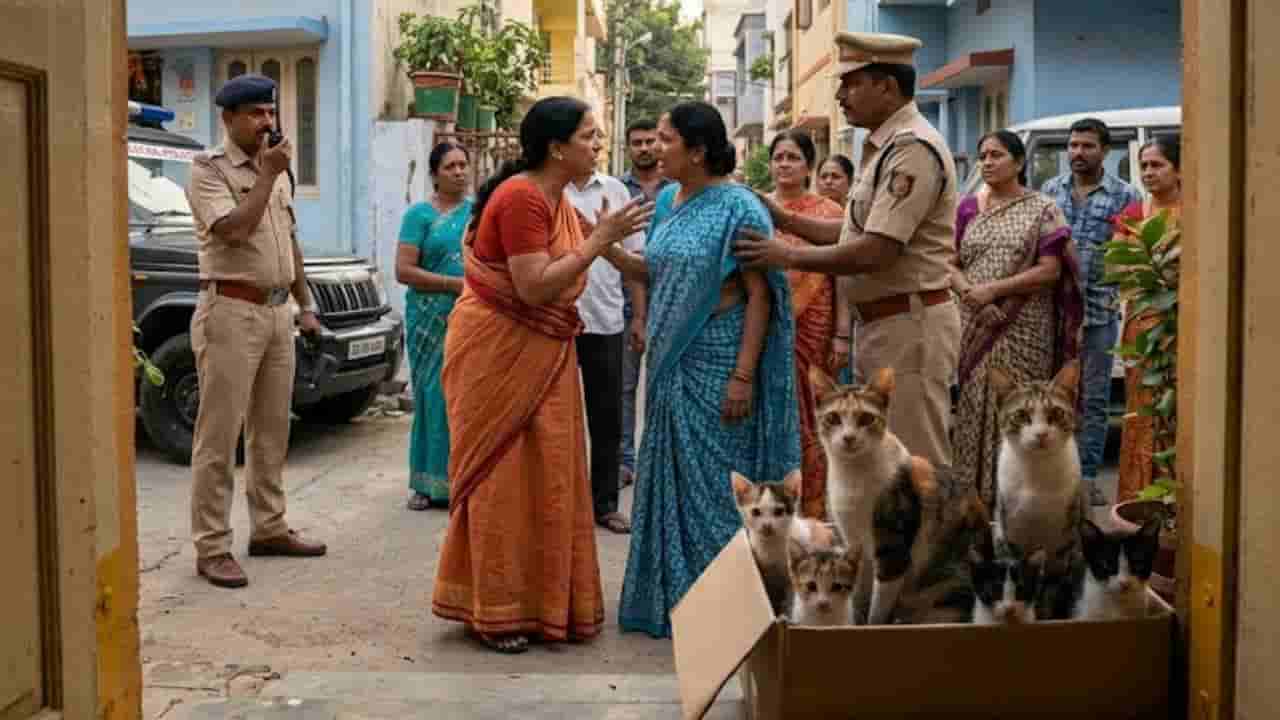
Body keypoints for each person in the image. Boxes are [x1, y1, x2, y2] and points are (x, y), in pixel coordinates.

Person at [430, 97, 652, 654]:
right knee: (502, 478)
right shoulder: (523, 197)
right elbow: (533, 287)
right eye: (589, 137)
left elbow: (592, 261)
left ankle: (543, 603)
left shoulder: (554, 199)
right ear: (557, 147)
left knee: (548, 472)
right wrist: (602, 242)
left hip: (544, 348)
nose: (598, 146)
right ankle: (497, 612)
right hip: (499, 348)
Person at [735, 31, 961, 471]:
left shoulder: (912, 148)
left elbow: (875, 250)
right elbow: (854, 229)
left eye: (851, 82)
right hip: (886, 322)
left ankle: (932, 543)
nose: (840, 95)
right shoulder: (884, 146)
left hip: (908, 324)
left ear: (887, 86)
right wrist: (786, 220)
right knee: (885, 468)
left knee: (913, 465)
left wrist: (786, 256)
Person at [616, 101, 799, 639]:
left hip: (719, 364)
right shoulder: (670, 200)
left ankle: (727, 611)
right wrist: (600, 247)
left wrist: (743, 376)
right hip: (671, 364)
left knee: (719, 492)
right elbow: (655, 269)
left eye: (667, 139)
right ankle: (675, 601)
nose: (656, 146)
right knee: (673, 482)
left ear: (697, 151)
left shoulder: (741, 208)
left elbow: (760, 296)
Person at [185, 73, 327, 589]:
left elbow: (289, 242)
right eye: (254, 114)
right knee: (218, 436)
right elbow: (235, 229)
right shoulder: (207, 170)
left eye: (269, 112)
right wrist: (267, 174)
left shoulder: (278, 169)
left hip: (275, 314)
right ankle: (212, 546)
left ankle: (268, 528)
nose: (266, 122)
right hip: (229, 311)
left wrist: (305, 304)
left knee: (272, 430)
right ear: (228, 119)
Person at [950, 130, 1084, 507]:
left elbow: (1050, 270)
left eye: (997, 155)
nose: (988, 162)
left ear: (1020, 163)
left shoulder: (1042, 208)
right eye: (983, 155)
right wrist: (969, 294)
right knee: (975, 408)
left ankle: (1021, 504)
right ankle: (973, 505)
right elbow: (950, 263)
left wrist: (994, 291)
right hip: (974, 322)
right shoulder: (967, 208)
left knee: (1024, 410)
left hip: (1024, 324)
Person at [1041, 118, 1141, 506]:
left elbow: (1126, 257)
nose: (1077, 153)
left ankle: (1083, 479)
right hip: (1056, 312)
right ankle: (1054, 475)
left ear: (1105, 151)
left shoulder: (1124, 196)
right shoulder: (1051, 190)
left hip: (1099, 312)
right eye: (1073, 145)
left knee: (1095, 398)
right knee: (1053, 394)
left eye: (1087, 146)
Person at [766, 129, 847, 519]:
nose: (784, 164)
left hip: (814, 329)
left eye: (793, 158)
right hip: (766, 331)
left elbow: (843, 277)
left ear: (809, 166)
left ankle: (813, 509)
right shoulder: (757, 209)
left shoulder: (830, 214)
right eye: (778, 157)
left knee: (812, 417)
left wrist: (842, 333)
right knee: (772, 414)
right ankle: (770, 505)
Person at [565, 165, 646, 533]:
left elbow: (634, 264)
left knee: (607, 417)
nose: (594, 146)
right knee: (557, 419)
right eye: (586, 137)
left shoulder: (615, 190)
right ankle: (561, 504)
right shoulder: (547, 191)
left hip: (606, 319)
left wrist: (639, 318)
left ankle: (605, 505)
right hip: (557, 321)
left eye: (596, 138)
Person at [396, 141, 473, 511]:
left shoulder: (479, 213)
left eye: (463, 165)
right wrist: (452, 285)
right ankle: (426, 483)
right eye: (450, 167)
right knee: (432, 393)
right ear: (435, 173)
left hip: (472, 316)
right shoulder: (419, 216)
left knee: (465, 395)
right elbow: (403, 270)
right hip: (429, 318)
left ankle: (463, 479)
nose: (459, 172)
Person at [1112, 134, 1182, 502]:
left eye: (1157, 165)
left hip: (1182, 327)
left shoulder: (1197, 214)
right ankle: (1140, 502)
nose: (1149, 173)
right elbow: (1119, 269)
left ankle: (1175, 500)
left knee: (1177, 411)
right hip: (1143, 325)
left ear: (1180, 169)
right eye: (1144, 166)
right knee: (1141, 412)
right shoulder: (1134, 215)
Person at [618, 118, 673, 490]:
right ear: (628, 147)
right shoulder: (618, 190)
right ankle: (625, 459)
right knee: (624, 384)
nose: (644, 148)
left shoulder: (679, 187)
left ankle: (660, 461)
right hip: (624, 297)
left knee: (665, 382)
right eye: (636, 142)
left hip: (672, 297)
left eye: (650, 141)